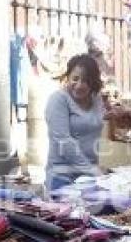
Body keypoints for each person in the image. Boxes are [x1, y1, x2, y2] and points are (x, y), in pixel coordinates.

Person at [44, 53, 106, 191]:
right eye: (75, 79)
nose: (79, 85)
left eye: (85, 80)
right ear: (68, 77)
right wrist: (90, 169)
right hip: (62, 176)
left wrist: (93, 170)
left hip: (89, 176)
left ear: (93, 82)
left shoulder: (96, 98)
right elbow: (63, 140)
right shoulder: (58, 99)